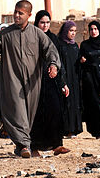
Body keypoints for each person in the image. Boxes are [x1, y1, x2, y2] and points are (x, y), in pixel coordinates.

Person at [0, 0, 61, 158]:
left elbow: (50, 50)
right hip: (12, 81)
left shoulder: (37, 33)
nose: (16, 15)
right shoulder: (5, 34)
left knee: (29, 115)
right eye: (15, 12)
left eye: (21, 13)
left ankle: (21, 146)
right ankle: (24, 145)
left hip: (33, 83)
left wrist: (53, 65)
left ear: (29, 15)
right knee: (17, 113)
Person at [30, 10, 70, 156]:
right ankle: (34, 147)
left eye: (47, 22)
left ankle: (57, 144)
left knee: (55, 110)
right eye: (42, 22)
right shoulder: (31, 38)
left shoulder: (54, 39)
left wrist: (63, 83)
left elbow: (61, 63)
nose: (45, 25)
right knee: (36, 114)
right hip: (34, 82)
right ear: (36, 23)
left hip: (52, 81)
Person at [80, 21, 100, 139]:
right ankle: (96, 131)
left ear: (99, 30)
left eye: (95, 29)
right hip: (90, 80)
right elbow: (80, 61)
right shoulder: (84, 45)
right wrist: (82, 61)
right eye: (91, 29)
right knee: (93, 105)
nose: (93, 31)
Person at [58, 20, 83, 138]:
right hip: (65, 78)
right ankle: (66, 129)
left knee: (75, 103)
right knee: (65, 103)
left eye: (74, 31)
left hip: (75, 79)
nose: (73, 33)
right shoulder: (60, 45)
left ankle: (75, 129)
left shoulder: (74, 46)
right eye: (70, 31)